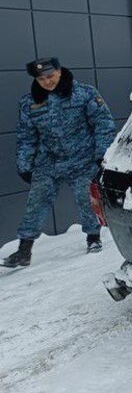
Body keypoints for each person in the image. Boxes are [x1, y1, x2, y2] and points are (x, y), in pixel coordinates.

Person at [2, 58, 116, 268]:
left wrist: (102, 155)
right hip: (49, 162)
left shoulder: (85, 93)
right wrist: (24, 164)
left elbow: (103, 124)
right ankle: (24, 250)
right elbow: (26, 136)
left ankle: (93, 237)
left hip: (82, 159)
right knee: (35, 204)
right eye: (42, 78)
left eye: (51, 76)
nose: (47, 81)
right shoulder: (29, 103)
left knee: (86, 200)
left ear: (59, 71)